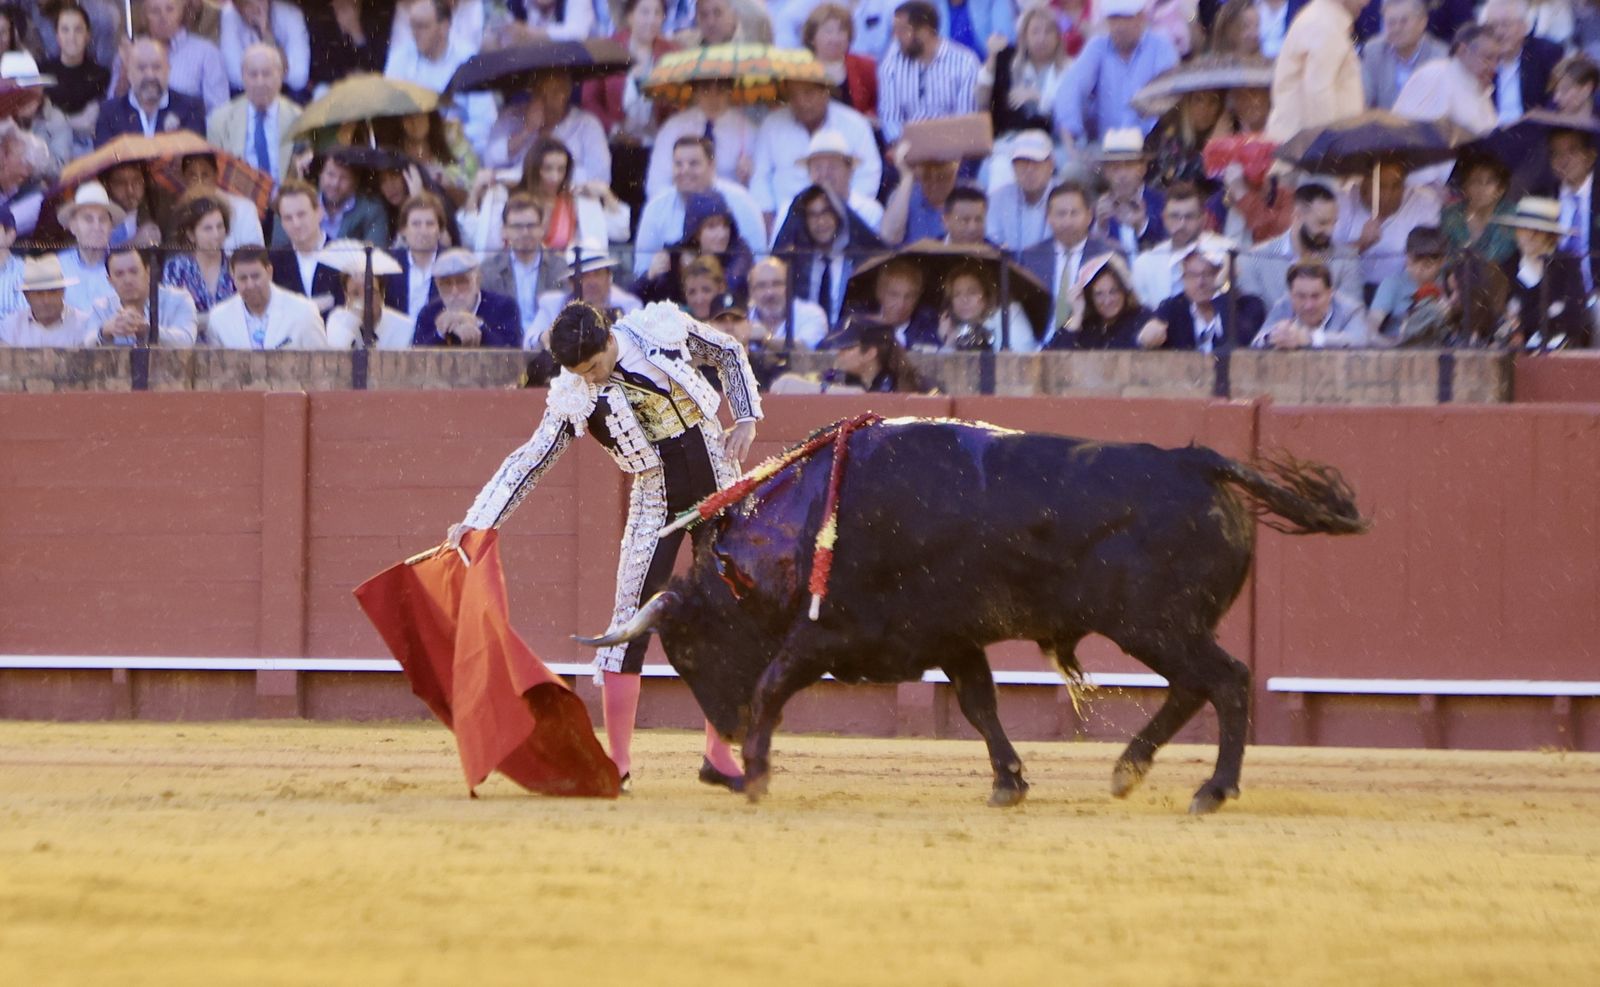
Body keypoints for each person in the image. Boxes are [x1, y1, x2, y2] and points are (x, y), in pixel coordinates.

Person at [441, 297, 762, 791]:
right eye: (579, 371)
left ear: (609, 340)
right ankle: (618, 762)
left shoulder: (661, 329)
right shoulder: (575, 393)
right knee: (626, 628)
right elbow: (531, 459)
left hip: (720, 483)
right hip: (656, 502)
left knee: (733, 616)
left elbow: (727, 351)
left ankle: (718, 754)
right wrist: (479, 518)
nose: (589, 379)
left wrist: (745, 417)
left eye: (593, 367)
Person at [749, 78, 879, 234]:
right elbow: (760, 178)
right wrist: (769, 224)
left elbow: (868, 176)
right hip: (788, 222)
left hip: (848, 219)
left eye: (808, 94)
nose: (801, 102)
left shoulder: (855, 124)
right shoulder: (772, 125)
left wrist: (838, 215)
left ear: (825, 93)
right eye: (794, 96)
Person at [633, 136, 766, 278]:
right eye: (678, 164)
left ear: (711, 166)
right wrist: (652, 271)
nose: (685, 171)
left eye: (693, 164)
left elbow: (760, 264)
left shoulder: (742, 202)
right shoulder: (656, 207)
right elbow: (641, 269)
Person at [1053, 0, 1179, 146]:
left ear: (1141, 17)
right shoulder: (1098, 46)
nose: (1120, 26)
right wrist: (1071, 139)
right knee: (1072, 168)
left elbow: (1168, 92)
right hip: (1106, 149)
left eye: (1126, 18)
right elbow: (1071, 88)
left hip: (1152, 145)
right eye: (1114, 19)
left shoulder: (1161, 46)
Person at [1236, 180, 1364, 311]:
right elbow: (1252, 322)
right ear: (1297, 216)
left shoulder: (1346, 259)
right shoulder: (1253, 260)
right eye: (1322, 223)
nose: (1330, 231)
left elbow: (1354, 316)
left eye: (1333, 223)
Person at [1020, 180, 1122, 337]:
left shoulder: (1108, 254)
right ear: (1048, 217)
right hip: (1039, 345)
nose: (1067, 222)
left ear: (1089, 216)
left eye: (1074, 213)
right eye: (1061, 214)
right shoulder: (1031, 257)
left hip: (1090, 343)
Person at [773, 184, 885, 327]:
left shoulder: (860, 259)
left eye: (826, 212)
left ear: (838, 215)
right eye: (812, 215)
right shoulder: (796, 261)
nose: (820, 222)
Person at [1493, 195, 1592, 348]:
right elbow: (1494, 314)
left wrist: (1522, 322)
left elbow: (1574, 317)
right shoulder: (1506, 267)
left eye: (1537, 231)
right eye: (1523, 229)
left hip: (1557, 354)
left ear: (1551, 235)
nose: (1529, 236)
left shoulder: (1567, 267)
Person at [876, 1, 981, 144]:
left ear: (924, 31)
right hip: (908, 150)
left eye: (902, 31)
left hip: (954, 148)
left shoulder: (965, 62)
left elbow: (965, 118)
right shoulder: (891, 64)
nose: (896, 37)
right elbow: (890, 118)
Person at [1265, 0, 1367, 142]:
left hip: (1305, 146)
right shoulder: (1323, 24)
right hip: (1308, 151)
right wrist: (1329, 149)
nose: (1367, 3)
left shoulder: (1324, 19)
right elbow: (1318, 92)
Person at [634, 190, 755, 306]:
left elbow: (735, 284)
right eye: (711, 226)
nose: (722, 233)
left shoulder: (740, 252)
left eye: (725, 225)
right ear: (695, 231)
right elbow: (633, 298)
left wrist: (698, 270)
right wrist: (650, 276)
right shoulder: (674, 255)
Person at [1143, 238, 1266, 351]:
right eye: (1192, 275)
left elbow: (1239, 343)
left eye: (1209, 273)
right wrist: (1147, 337)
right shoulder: (1173, 307)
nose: (1200, 282)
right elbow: (1146, 339)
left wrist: (1222, 289)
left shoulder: (1250, 305)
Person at [645, 79, 757, 202]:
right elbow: (657, 180)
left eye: (720, 90)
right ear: (695, 92)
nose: (713, 97)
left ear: (729, 91)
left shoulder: (748, 130)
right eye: (705, 89)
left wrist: (750, 176)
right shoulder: (674, 127)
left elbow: (759, 184)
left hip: (729, 207)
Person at [206, 44, 302, 185]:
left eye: (267, 74)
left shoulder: (298, 119)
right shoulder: (220, 120)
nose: (259, 82)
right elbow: (214, 174)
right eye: (253, 74)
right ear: (243, 76)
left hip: (285, 199)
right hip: (239, 200)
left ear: (281, 75)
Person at [206, 245, 330, 349]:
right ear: (233, 278)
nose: (250, 285)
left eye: (255, 277)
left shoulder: (304, 311)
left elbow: (322, 365)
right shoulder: (218, 318)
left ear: (269, 272)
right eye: (242, 278)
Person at [979, 3, 1070, 142]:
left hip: (1054, 143)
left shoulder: (1069, 68)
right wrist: (991, 59)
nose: (1042, 38)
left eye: (1048, 32)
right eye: (1035, 32)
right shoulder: (1011, 66)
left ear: (1058, 37)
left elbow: (1071, 117)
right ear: (1024, 38)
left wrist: (1038, 97)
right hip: (1011, 143)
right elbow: (981, 103)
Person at [1391, 22, 1500, 137]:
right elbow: (1416, 135)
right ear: (1462, 51)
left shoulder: (1480, 90)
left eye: (1497, 60)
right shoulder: (1435, 75)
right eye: (1487, 58)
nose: (1493, 66)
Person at [527, 243, 646, 346]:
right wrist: (546, 337)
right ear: (571, 282)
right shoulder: (552, 305)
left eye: (598, 273)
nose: (592, 282)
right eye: (584, 275)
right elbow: (529, 342)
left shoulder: (629, 306)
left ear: (609, 276)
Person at [95, 37, 207, 144]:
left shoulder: (191, 108)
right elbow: (105, 160)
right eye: (141, 68)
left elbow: (195, 159)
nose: (150, 75)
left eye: (157, 67)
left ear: (168, 70)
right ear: (128, 72)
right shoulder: (109, 112)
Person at [479, 192, 562, 329]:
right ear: (504, 230)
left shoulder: (558, 266)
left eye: (531, 226)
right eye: (517, 227)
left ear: (542, 228)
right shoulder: (489, 269)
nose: (525, 232)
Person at [91, 244, 199, 348]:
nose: (127, 280)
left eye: (133, 271)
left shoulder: (178, 300)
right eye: (119, 274)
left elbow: (187, 341)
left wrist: (149, 330)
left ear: (148, 272)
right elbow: (83, 342)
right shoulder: (101, 308)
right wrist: (104, 332)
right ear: (110, 281)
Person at [412, 248, 522, 348]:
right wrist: (441, 333)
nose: (454, 291)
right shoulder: (428, 313)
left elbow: (512, 352)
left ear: (477, 281)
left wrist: (478, 325)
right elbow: (416, 357)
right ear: (437, 286)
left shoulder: (504, 307)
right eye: (446, 284)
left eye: (462, 282)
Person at [1044, 252, 1156, 349]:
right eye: (1099, 294)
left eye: (1113, 291)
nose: (1107, 301)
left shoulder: (1142, 318)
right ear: (1090, 297)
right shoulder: (1085, 325)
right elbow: (1050, 358)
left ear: (1124, 291)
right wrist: (1077, 315)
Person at [1251, 260, 1371, 348]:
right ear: (1291, 294)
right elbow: (1257, 342)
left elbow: (1359, 340)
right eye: (1301, 296)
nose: (1308, 305)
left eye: (1316, 296)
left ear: (1330, 293)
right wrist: (1274, 337)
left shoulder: (1351, 309)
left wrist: (1311, 338)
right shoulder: (1283, 305)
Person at [1483, 0, 1566, 125]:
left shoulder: (1547, 53)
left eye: (1505, 24)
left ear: (1524, 26)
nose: (1499, 32)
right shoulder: (1481, 59)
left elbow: (1557, 99)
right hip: (1490, 136)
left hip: (1534, 134)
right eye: (1492, 26)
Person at [41, 4, 109, 155]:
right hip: (50, 146)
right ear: (57, 36)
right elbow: (40, 120)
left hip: (87, 148)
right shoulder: (42, 72)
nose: (71, 37)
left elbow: (91, 122)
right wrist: (73, 122)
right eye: (65, 30)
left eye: (78, 30)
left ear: (88, 35)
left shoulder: (101, 75)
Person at [320, 242, 413, 349]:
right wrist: (352, 323)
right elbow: (336, 357)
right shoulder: (337, 319)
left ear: (382, 294)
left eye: (370, 292)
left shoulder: (404, 328)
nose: (364, 300)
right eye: (355, 294)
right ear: (346, 296)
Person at [162, 192, 237, 323]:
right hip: (188, 341)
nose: (216, 234)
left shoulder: (235, 265)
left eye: (220, 227)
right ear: (191, 235)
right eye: (207, 228)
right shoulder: (176, 267)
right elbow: (169, 315)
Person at [1362, 0, 1448, 111]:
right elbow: (1364, 99)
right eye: (1391, 23)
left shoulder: (1441, 57)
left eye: (1404, 21)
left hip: (1424, 126)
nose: (1397, 29)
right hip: (1383, 125)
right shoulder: (1374, 51)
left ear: (1422, 22)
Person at [268, 180, 342, 308]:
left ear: (319, 212)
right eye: (288, 218)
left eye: (301, 214)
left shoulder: (343, 255)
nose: (296, 224)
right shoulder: (274, 260)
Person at [934, 260, 1037, 351]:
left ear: (987, 295)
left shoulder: (1008, 315)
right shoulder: (956, 329)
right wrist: (949, 342)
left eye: (972, 292)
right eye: (957, 294)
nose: (964, 300)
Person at [1368, 225, 1449, 338]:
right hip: (1398, 347)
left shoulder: (1449, 285)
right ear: (1406, 256)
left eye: (1427, 265)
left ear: (1442, 262)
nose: (1418, 270)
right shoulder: (1392, 284)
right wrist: (1391, 345)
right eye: (1412, 263)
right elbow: (1370, 329)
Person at [219, 0, 311, 100]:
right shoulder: (229, 14)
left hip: (286, 92)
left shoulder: (291, 14)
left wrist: (266, 31)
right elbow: (235, 77)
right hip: (247, 93)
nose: (252, 6)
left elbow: (298, 78)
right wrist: (277, 71)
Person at [0, 255, 99, 347]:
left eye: (53, 292)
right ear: (26, 296)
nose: (46, 300)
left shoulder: (85, 324)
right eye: (39, 293)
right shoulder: (11, 326)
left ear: (62, 292)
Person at [54, 181, 121, 315]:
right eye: (88, 220)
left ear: (111, 227)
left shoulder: (121, 267)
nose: (97, 227)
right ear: (73, 226)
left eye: (102, 220)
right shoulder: (57, 266)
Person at [1095, 129, 1167, 254]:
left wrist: (1141, 225)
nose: (1122, 174)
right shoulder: (1099, 209)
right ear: (1105, 172)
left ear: (1143, 168)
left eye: (1129, 165)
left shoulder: (1161, 202)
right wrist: (1100, 227)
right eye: (1115, 167)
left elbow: (1169, 243)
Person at [818, 314, 933, 392]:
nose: (839, 353)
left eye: (847, 348)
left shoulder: (915, 389)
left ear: (870, 353)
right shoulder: (840, 382)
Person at [802, 3, 878, 119]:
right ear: (812, 37)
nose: (835, 38)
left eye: (841, 31)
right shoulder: (799, 70)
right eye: (828, 31)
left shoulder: (865, 66)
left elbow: (876, 106)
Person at [180, 152, 266, 252]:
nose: (199, 182)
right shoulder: (181, 212)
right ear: (184, 179)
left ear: (216, 176)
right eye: (193, 176)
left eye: (205, 175)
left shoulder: (244, 209)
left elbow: (254, 255)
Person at [1442, 154, 1520, 264]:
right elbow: (1444, 257)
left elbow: (1496, 257)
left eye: (1489, 182)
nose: (1481, 188)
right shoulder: (1450, 215)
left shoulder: (1511, 216)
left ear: (1501, 188)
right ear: (1465, 186)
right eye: (1475, 181)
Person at [986, 130, 1055, 252]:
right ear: (1012, 166)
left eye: (1035, 162)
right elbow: (993, 241)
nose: (1029, 170)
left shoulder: (1065, 197)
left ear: (1050, 165)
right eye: (1022, 163)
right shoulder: (997, 198)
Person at [384, 192, 449, 320]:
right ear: (403, 230)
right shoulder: (389, 264)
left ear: (440, 230)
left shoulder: (451, 263)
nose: (423, 231)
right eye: (416, 224)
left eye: (430, 224)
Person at [746, 256, 829, 350]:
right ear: (751, 292)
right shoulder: (743, 318)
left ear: (789, 287)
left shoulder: (811, 313)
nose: (769, 293)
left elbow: (807, 352)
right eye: (761, 286)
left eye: (777, 284)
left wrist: (766, 339)